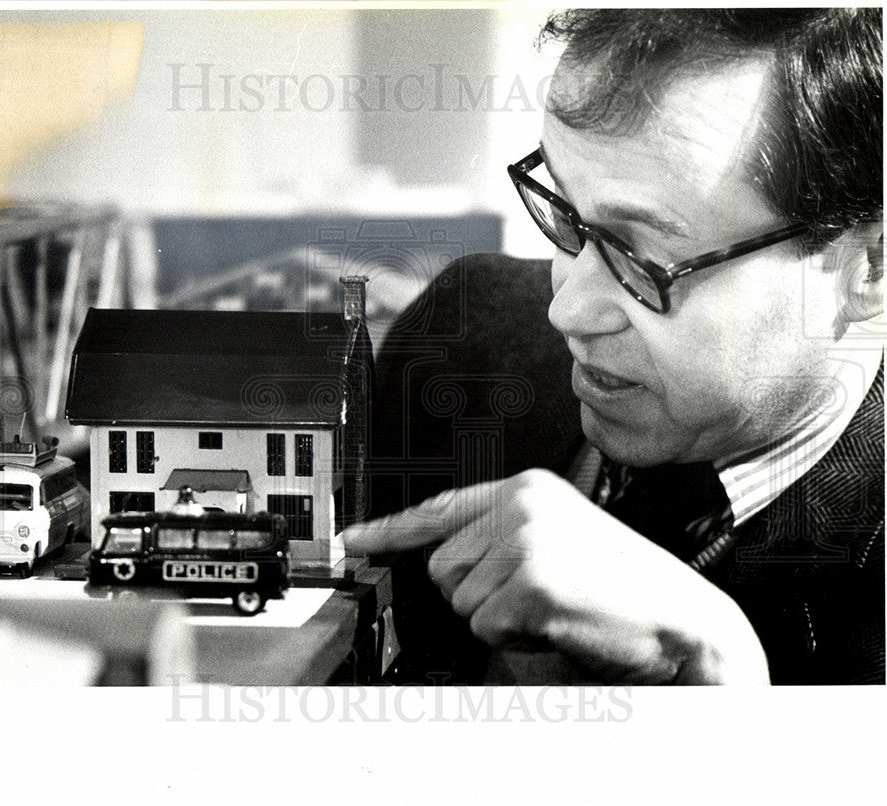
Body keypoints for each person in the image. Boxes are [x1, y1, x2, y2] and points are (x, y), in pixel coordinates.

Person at [343, 8, 884, 685]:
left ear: (870, 264)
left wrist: (725, 681)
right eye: (564, 213)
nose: (566, 308)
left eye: (644, 256)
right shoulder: (461, 341)